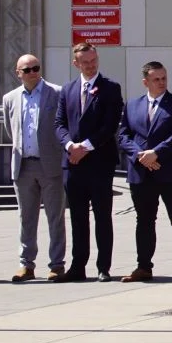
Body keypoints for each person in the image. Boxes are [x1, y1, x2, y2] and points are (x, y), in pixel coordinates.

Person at [116, 61, 172, 282]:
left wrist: (156, 153)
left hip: (171, 172)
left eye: (164, 78)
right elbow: (123, 135)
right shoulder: (132, 105)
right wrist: (141, 156)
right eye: (156, 79)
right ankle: (143, 267)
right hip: (142, 172)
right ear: (145, 82)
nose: (161, 83)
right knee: (144, 220)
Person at [54, 42, 124, 282]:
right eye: (85, 62)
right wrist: (69, 146)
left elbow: (110, 125)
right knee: (78, 217)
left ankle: (103, 266)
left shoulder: (110, 88)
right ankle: (78, 266)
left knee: (102, 216)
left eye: (94, 60)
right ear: (76, 63)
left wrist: (85, 147)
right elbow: (59, 124)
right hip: (73, 164)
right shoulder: (67, 90)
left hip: (99, 163)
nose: (91, 65)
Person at [2, 55, 66, 282]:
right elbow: (11, 130)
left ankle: (57, 265)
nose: (32, 73)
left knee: (55, 217)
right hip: (23, 166)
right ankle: (26, 264)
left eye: (36, 68)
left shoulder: (56, 93)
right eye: (27, 69)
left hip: (50, 164)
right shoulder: (10, 98)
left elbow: (63, 126)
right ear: (18, 73)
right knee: (26, 217)